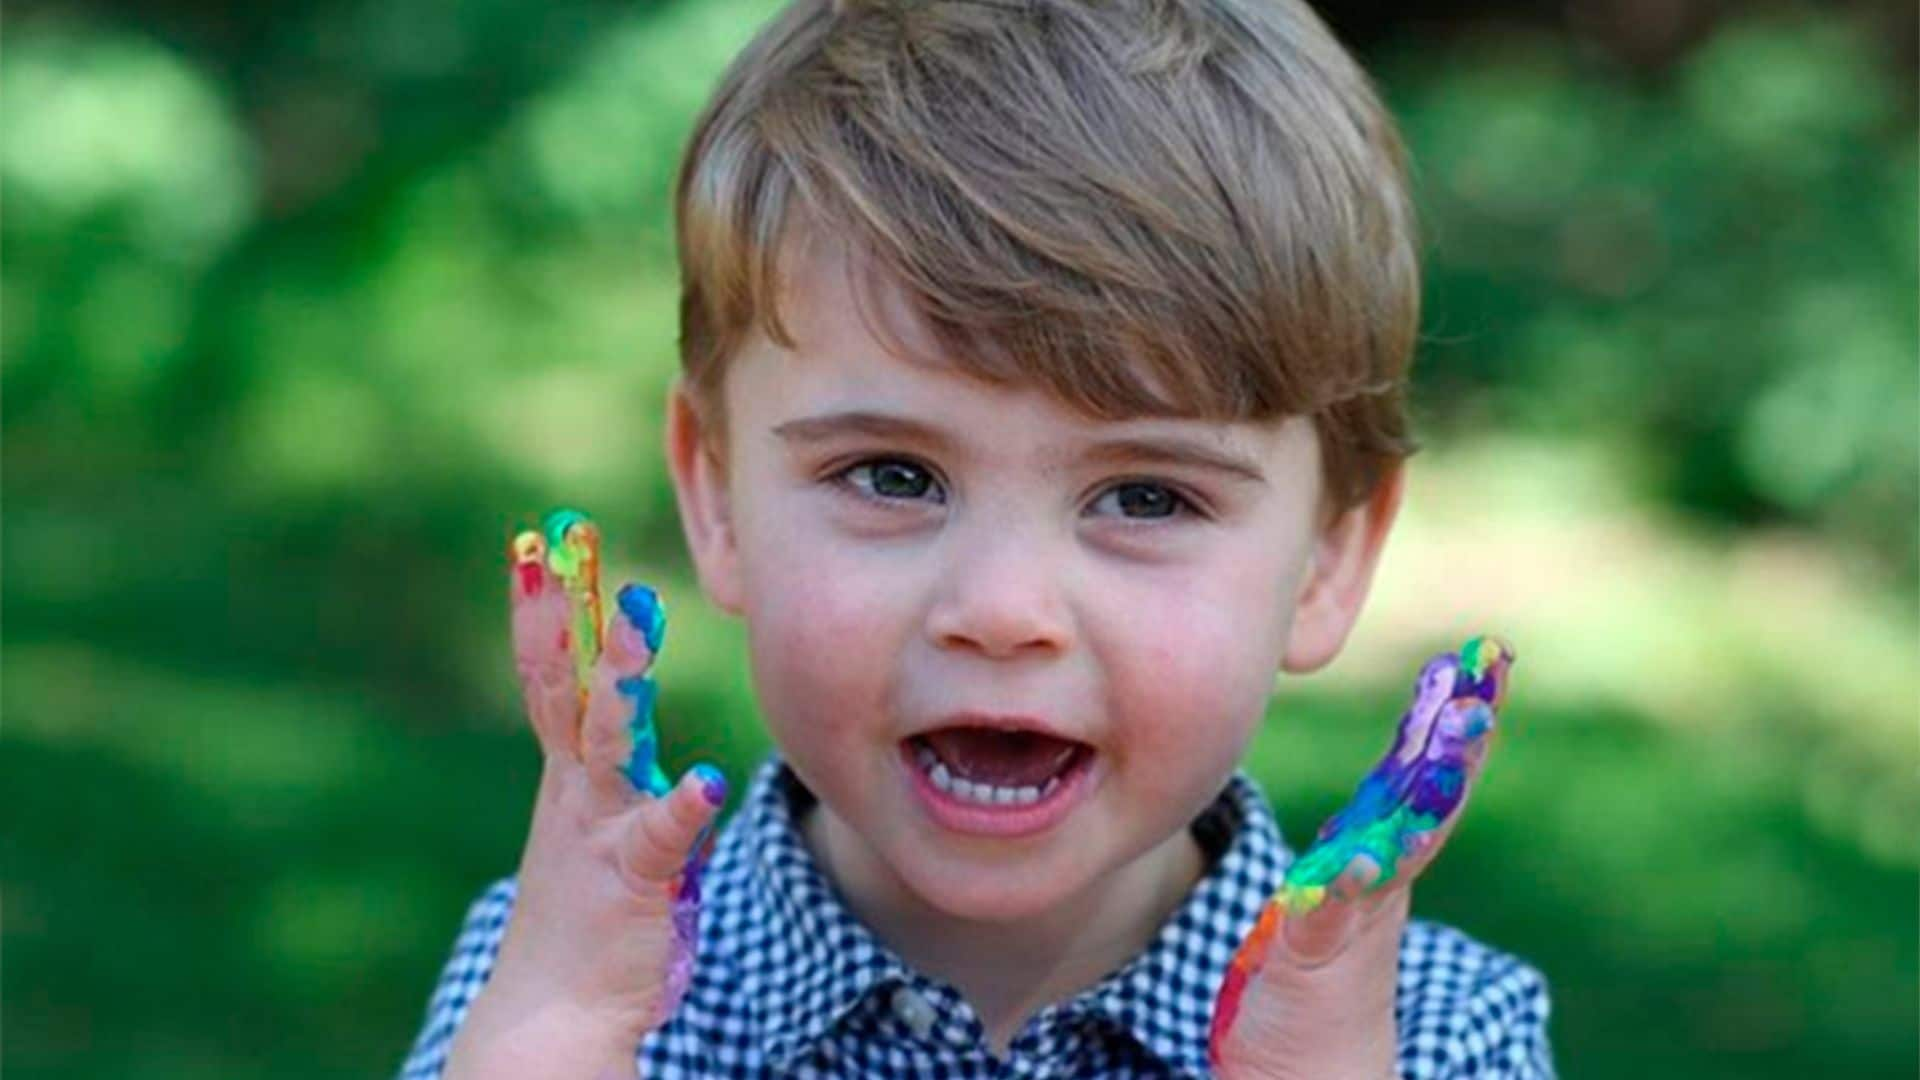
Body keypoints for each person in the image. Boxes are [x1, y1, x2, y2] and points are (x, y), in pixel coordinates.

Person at [400, 0, 1555, 1074]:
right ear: (717, 491)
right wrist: (553, 1036)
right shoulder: (575, 974)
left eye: (1148, 497)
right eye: (892, 476)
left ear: (1327, 558)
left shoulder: (1440, 1029)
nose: (1002, 609)